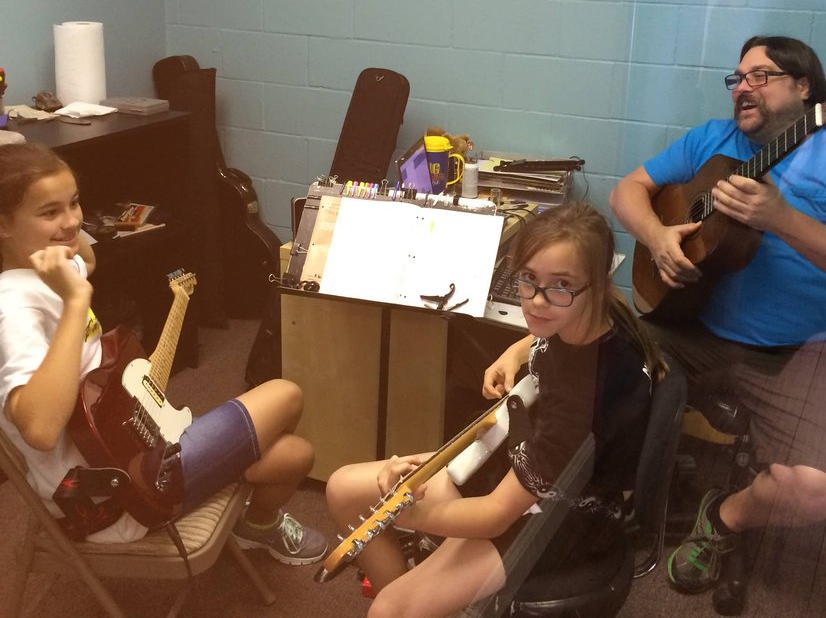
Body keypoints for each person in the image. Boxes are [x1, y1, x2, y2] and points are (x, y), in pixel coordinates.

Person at [325, 202, 666, 618]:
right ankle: (421, 594)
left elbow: (492, 519)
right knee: (343, 486)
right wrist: (513, 353)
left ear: (594, 285)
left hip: (557, 525)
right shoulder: (593, 315)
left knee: (387, 611)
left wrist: (407, 509)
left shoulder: (581, 402)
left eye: (559, 285)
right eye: (528, 280)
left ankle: (409, 600)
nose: (537, 302)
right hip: (526, 477)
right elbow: (541, 339)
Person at [0, 142, 326, 564]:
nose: (72, 222)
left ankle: (256, 526)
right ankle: (249, 521)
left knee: (295, 455)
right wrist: (77, 302)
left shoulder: (54, 266)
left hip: (134, 444)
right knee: (286, 394)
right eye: (49, 212)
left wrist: (62, 227)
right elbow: (40, 431)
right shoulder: (14, 311)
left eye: (75, 203)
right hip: (108, 498)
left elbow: (89, 259)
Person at [608, 34, 826, 593]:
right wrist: (656, 236)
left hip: (794, 353)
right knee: (604, 356)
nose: (743, 89)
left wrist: (780, 218)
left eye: (760, 76)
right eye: (737, 78)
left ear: (804, 87)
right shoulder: (712, 138)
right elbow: (627, 191)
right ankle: (610, 511)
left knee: (814, 490)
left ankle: (722, 516)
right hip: (689, 327)